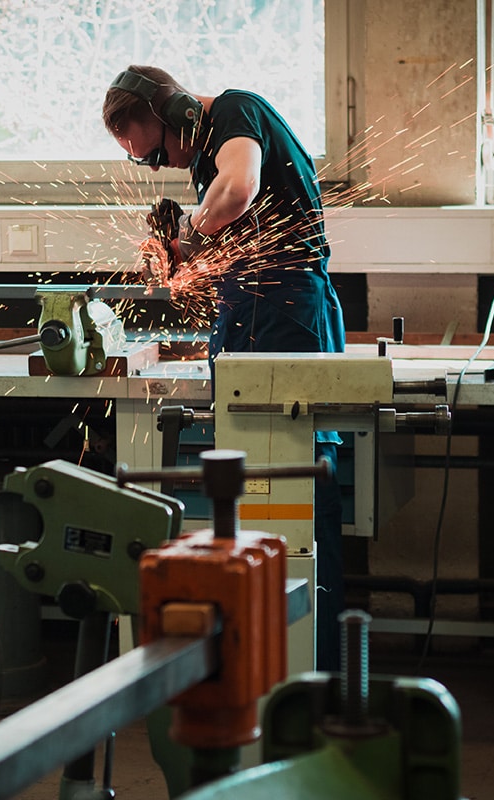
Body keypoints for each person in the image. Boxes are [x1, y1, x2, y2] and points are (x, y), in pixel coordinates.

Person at [102, 65, 347, 671]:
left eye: (156, 151)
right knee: (257, 483)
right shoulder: (204, 153)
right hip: (252, 307)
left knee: (296, 485)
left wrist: (185, 235)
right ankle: (267, 653)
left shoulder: (236, 112)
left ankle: (312, 662)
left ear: (178, 110)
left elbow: (237, 192)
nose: (160, 165)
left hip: (285, 309)